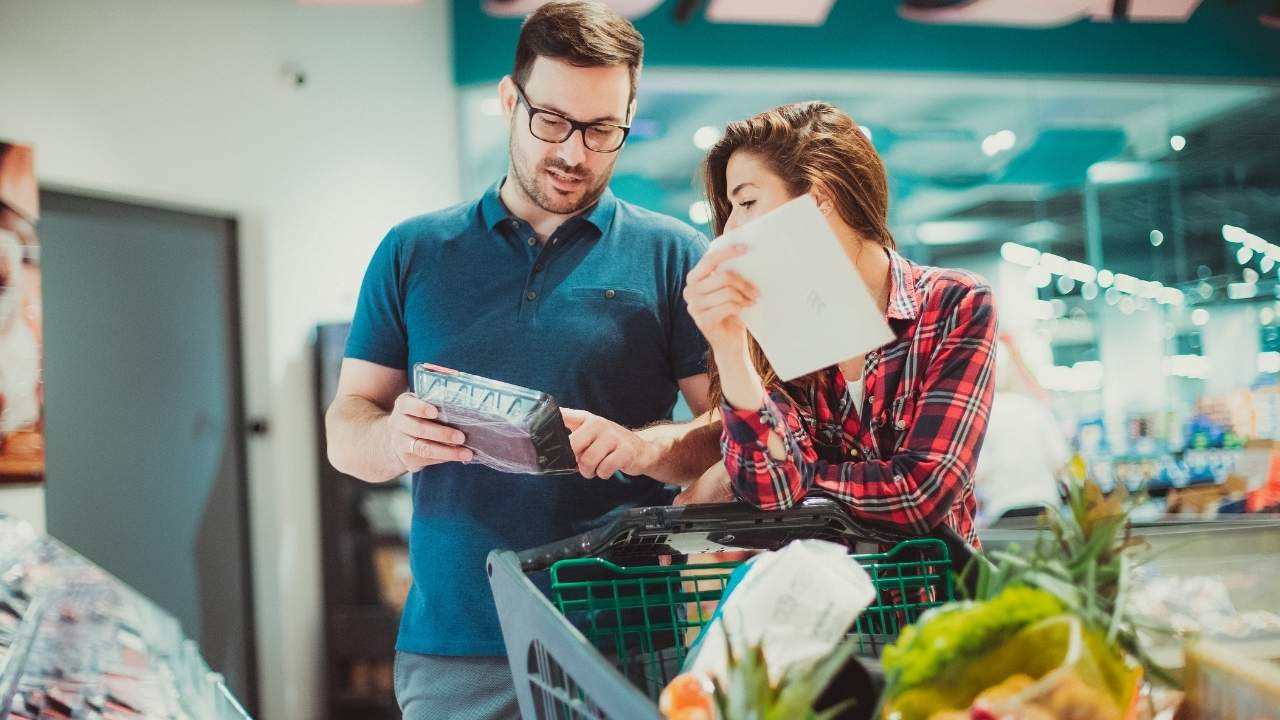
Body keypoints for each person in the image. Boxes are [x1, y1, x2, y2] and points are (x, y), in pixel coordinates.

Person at [324, 3, 720, 717]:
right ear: (510, 101)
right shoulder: (413, 251)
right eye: (552, 121)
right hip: (455, 647)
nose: (574, 153)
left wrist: (641, 446)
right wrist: (390, 438)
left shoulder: (672, 256)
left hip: (626, 640)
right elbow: (346, 424)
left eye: (602, 130)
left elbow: (725, 432)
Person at [682, 102, 997, 546]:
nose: (729, 229)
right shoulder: (767, 332)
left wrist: (782, 483)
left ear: (819, 198)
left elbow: (921, 494)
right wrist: (729, 348)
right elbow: (770, 489)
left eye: (747, 201)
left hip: (937, 605)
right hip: (825, 608)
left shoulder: (953, 303)